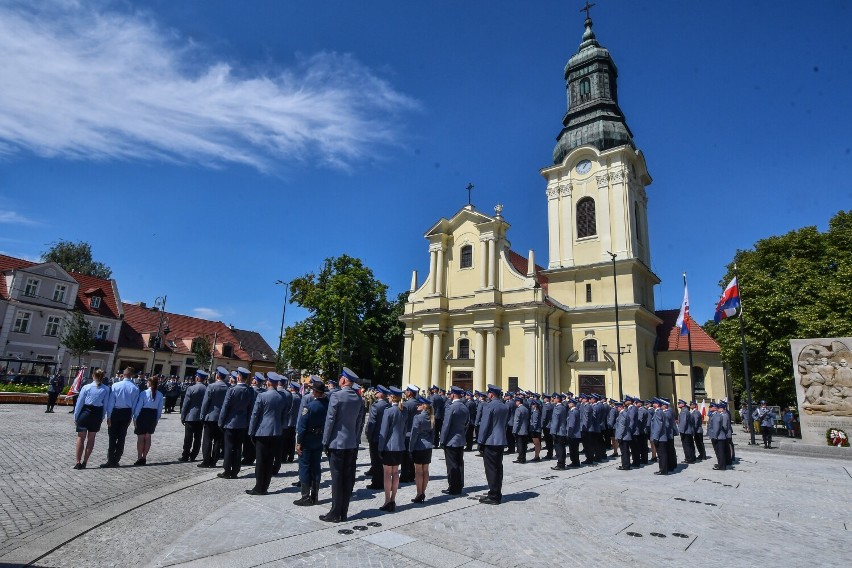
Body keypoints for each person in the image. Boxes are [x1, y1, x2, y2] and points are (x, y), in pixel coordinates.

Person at [320, 367, 363, 523]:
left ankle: (335, 512)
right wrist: (356, 439)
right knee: (347, 478)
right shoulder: (358, 398)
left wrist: (325, 441)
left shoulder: (337, 396)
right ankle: (343, 511)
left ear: (344, 380)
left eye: (340, 378)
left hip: (337, 443)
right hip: (351, 443)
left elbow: (330, 421)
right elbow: (359, 423)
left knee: (337, 479)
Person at [246, 373, 286, 495]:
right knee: (269, 461)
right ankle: (265, 486)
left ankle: (258, 487)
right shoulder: (282, 397)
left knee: (260, 461)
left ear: (268, 382)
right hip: (276, 432)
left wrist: (251, 431)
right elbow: (284, 415)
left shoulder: (262, 396)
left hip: (262, 431)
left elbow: (255, 415)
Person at [294, 380, 329, 507]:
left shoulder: (309, 407)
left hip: (308, 440)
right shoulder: (328, 404)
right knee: (316, 467)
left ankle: (305, 496)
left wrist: (298, 443)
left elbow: (302, 427)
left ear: (315, 392)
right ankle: (315, 496)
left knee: (304, 466)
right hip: (319, 439)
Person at [218, 367, 255, 479]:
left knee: (229, 447)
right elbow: (251, 409)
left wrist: (221, 422)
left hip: (230, 423)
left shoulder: (232, 390)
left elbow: (225, 407)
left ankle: (227, 470)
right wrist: (248, 422)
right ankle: (235, 471)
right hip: (242, 423)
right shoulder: (250, 391)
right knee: (238, 447)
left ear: (238, 377)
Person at [101, 367, 140, 468]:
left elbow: (111, 403)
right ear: (132, 375)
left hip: (115, 412)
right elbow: (134, 405)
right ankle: (116, 459)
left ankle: (110, 460)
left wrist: (108, 416)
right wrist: (132, 417)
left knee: (112, 437)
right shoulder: (135, 388)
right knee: (122, 437)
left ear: (123, 374)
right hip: (126, 413)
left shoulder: (116, 385)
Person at [477, 384, 509, 505]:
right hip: (500, 440)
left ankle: (493, 495)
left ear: (491, 394)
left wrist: (480, 442)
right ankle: (497, 492)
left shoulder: (489, 406)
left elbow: (484, 426)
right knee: (498, 468)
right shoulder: (504, 406)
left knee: (490, 469)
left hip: (490, 441)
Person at [377, 386, 407, 512]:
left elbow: (384, 431)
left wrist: (380, 448)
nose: (387, 397)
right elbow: (404, 430)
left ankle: (387, 500)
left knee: (387, 474)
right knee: (395, 473)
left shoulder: (388, 411)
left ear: (392, 397)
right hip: (399, 445)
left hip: (389, 446)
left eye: (389, 396)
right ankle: (393, 500)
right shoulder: (403, 410)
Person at [73, 369, 110, 469]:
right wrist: (102, 416)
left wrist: (76, 416)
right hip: (97, 413)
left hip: (85, 412)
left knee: (81, 437)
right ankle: (85, 462)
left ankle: (77, 462)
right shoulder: (106, 389)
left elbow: (80, 403)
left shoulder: (86, 387)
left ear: (93, 376)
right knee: (91, 438)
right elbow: (106, 405)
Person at [198, 367, 229, 468]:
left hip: (210, 417)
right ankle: (214, 461)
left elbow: (205, 402)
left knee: (207, 440)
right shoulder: (228, 388)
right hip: (221, 418)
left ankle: (206, 461)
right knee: (218, 441)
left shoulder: (211, 387)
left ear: (217, 375)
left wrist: (202, 415)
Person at [441, 385, 469, 495]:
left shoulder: (451, 407)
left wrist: (442, 440)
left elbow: (446, 425)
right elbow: (467, 423)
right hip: (460, 439)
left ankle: (453, 487)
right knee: (459, 463)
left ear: (453, 394)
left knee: (451, 465)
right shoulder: (464, 407)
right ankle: (460, 485)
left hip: (451, 440)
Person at [132, 375, 164, 465]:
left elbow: (139, 407)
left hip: (143, 414)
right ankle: (144, 457)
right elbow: (160, 409)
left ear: (149, 383)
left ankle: (139, 457)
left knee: (141, 437)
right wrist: (157, 419)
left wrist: (135, 417)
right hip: (153, 415)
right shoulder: (160, 394)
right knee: (148, 436)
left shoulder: (144, 393)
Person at [365, 385, 391, 490]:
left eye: (377, 392)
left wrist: (368, 435)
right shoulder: (388, 405)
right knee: (383, 461)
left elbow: (371, 423)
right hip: (386, 437)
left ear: (381, 394)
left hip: (376, 437)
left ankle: (377, 482)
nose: (375, 393)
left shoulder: (376, 406)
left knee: (375, 461)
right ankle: (383, 480)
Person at [179, 370, 208, 462]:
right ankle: (193, 455)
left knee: (188, 437)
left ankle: (185, 455)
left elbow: (185, 404)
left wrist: (183, 416)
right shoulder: (207, 388)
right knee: (198, 437)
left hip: (190, 416)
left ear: (197, 378)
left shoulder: (191, 388)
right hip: (201, 417)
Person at [410, 396, 434, 503]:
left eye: (419, 404)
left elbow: (414, 434)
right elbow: (433, 435)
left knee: (418, 471)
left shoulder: (418, 417)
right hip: (428, 446)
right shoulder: (431, 417)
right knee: (425, 470)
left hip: (419, 446)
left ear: (424, 406)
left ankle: (419, 493)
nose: (418, 406)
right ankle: (422, 492)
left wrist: (411, 448)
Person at [400, 384, 420, 483]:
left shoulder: (407, 404)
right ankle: (412, 475)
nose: (405, 393)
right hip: (416, 432)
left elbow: (403, 420)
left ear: (410, 393)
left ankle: (404, 476)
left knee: (405, 456)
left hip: (407, 432)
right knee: (413, 456)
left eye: (406, 391)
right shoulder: (418, 403)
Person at [650, 399, 671, 475]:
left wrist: (655, 437)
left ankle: (663, 470)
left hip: (660, 437)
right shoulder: (661, 412)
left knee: (661, 454)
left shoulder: (658, 413)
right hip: (662, 436)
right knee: (662, 454)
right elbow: (666, 424)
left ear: (658, 404)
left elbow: (658, 426)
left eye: (654, 403)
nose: (653, 404)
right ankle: (663, 469)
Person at [549, 393, 568, 470]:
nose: (552, 400)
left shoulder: (558, 408)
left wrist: (553, 431)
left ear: (557, 399)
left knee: (559, 448)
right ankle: (561, 463)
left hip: (558, 431)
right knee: (561, 448)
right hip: (561, 431)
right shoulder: (562, 407)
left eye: (554, 398)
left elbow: (555, 421)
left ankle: (560, 464)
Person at [614, 401, 632, 470]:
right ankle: (626, 464)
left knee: (624, 452)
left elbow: (622, 427)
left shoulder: (623, 414)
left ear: (620, 407)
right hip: (625, 436)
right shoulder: (624, 413)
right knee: (625, 451)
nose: (617, 409)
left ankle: (625, 465)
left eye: (617, 407)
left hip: (624, 436)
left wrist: (619, 436)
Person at [677, 400, 696, 464]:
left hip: (685, 431)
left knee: (687, 446)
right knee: (690, 445)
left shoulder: (684, 412)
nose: (678, 404)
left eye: (679, 403)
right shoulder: (687, 411)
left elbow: (683, 422)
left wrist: (681, 431)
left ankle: (689, 459)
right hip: (689, 431)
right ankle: (692, 457)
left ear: (683, 405)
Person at [512, 396, 530, 464]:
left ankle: (520, 458)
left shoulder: (518, 409)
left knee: (520, 445)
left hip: (519, 430)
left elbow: (516, 421)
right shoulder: (525, 409)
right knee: (524, 445)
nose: (515, 403)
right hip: (525, 429)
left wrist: (514, 431)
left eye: (516, 401)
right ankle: (523, 458)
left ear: (519, 402)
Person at [541, 393, 554, 460]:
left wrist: (541, 425)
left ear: (547, 399)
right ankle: (550, 453)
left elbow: (544, 417)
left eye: (544, 398)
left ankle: (549, 454)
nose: (543, 399)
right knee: (550, 441)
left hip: (546, 426)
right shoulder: (552, 405)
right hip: (550, 425)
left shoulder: (546, 406)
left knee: (548, 441)